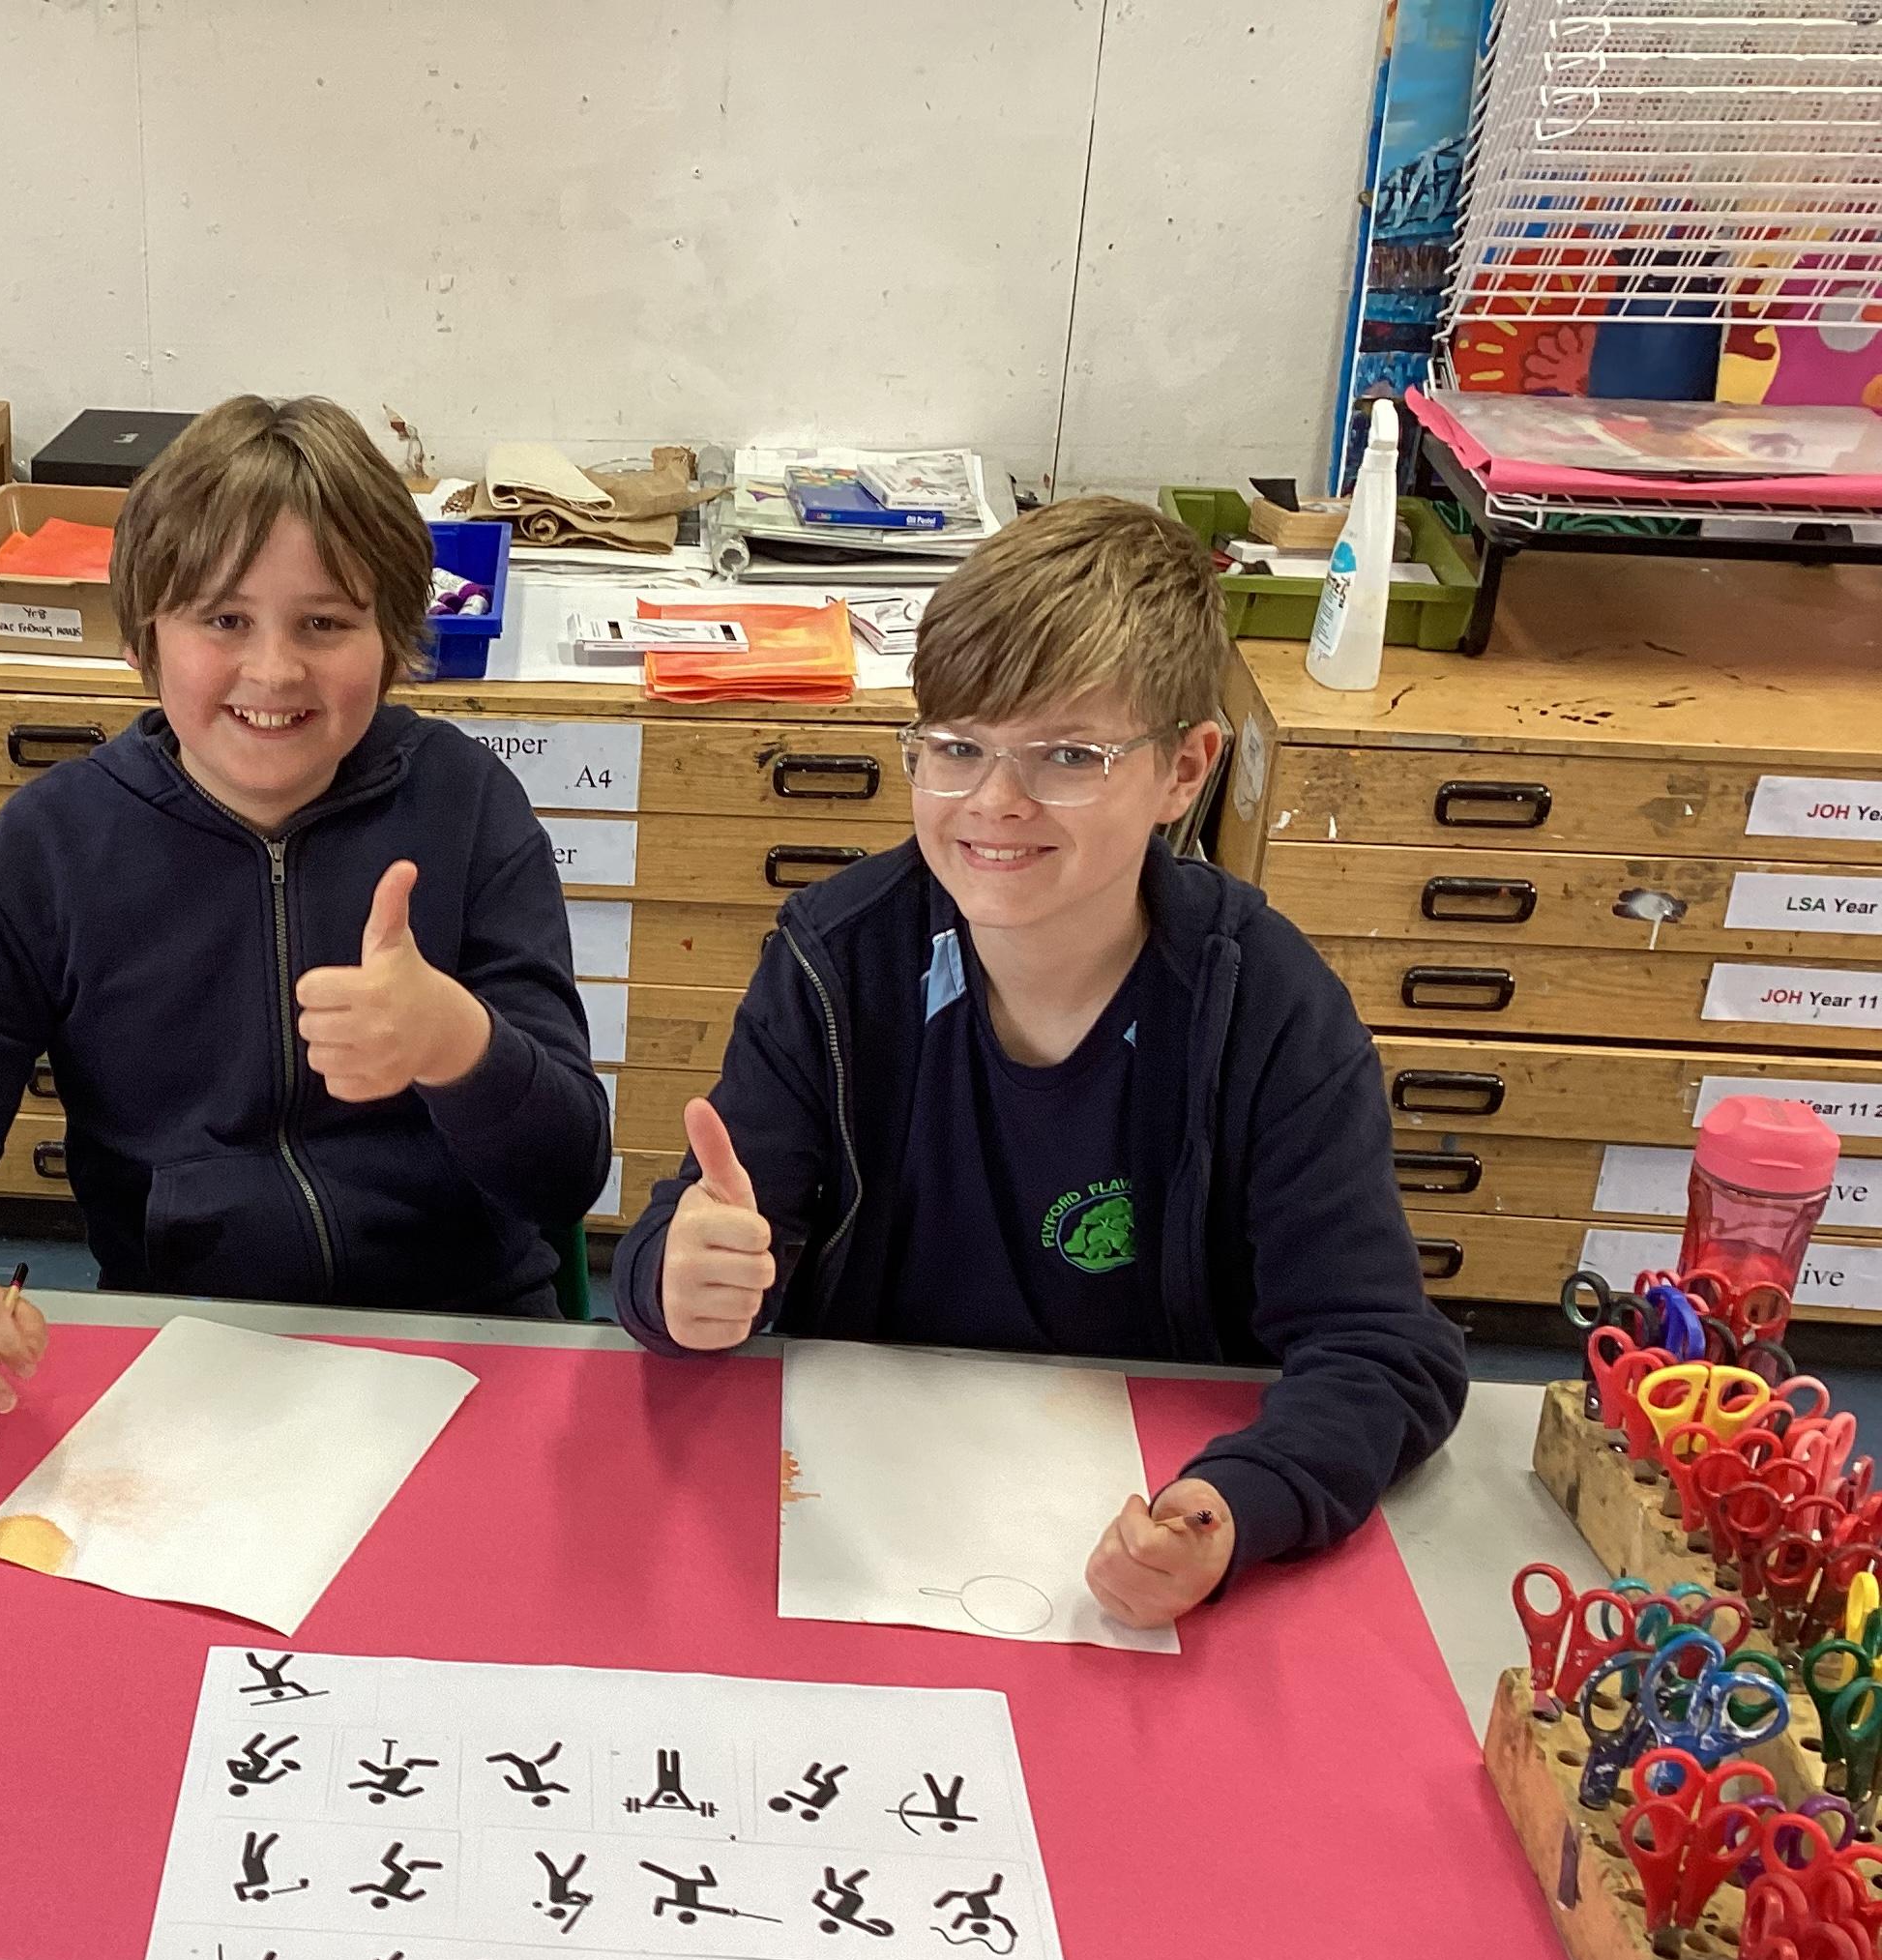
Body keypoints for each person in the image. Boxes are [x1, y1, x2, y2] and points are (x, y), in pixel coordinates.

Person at [611, 496, 1465, 1626]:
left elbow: (1381, 1348)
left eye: (1068, 755)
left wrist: (1240, 1502)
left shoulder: (1264, 1004)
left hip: (1142, 1503)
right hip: (865, 1508)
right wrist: (678, 1283)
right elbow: (690, 1243)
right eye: (957, 748)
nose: (995, 804)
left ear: (1184, 770)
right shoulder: (839, 959)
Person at [0, 395, 609, 1416]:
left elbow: (566, 1173)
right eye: (223, 620)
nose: (274, 670)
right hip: (185, 1353)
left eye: (326, 623)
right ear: (145, 640)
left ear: (392, 641)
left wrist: (459, 1045)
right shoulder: (46, 853)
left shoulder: (467, 806)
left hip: (465, 1337)